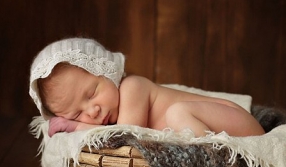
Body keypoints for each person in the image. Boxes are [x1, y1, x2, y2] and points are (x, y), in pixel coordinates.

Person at [28, 38, 265, 138]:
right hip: (221, 125)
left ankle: (212, 159)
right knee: (177, 115)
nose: (92, 112)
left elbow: (124, 136)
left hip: (235, 121)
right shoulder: (111, 111)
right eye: (77, 113)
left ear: (108, 71)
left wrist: (75, 125)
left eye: (91, 94)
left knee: (177, 113)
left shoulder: (132, 87)